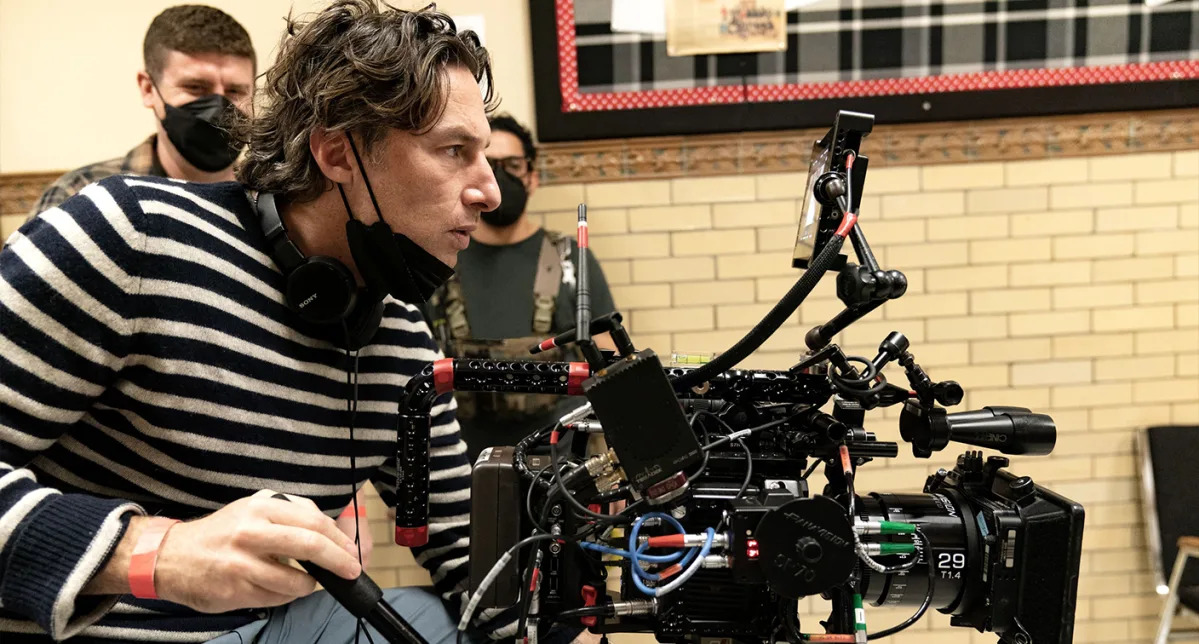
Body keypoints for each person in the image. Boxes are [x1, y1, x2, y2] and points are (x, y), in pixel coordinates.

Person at [0, 2, 515, 642]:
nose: (490, 192)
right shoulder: (129, 236)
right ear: (338, 152)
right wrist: (155, 554)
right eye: (454, 150)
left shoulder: (402, 338)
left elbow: (474, 565)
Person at [425, 114, 617, 463]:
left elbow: (611, 361)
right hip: (459, 467)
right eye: (489, 163)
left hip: (562, 467)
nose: (500, 176)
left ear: (532, 176)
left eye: (512, 165)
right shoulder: (437, 262)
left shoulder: (571, 260)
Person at [28, 5, 256, 218]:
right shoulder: (77, 199)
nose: (218, 107)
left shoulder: (267, 203)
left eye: (235, 91)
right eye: (195, 87)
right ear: (148, 89)